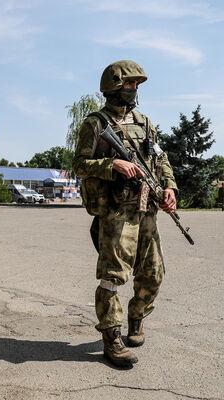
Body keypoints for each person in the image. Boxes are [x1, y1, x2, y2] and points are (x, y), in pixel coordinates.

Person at [73, 60, 178, 368]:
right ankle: (111, 339)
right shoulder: (95, 123)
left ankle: (137, 319)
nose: (134, 90)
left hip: (146, 210)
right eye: (130, 84)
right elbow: (78, 165)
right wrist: (112, 165)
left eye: (136, 86)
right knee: (112, 279)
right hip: (117, 212)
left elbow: (161, 160)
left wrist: (170, 188)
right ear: (114, 86)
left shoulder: (146, 122)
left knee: (153, 274)